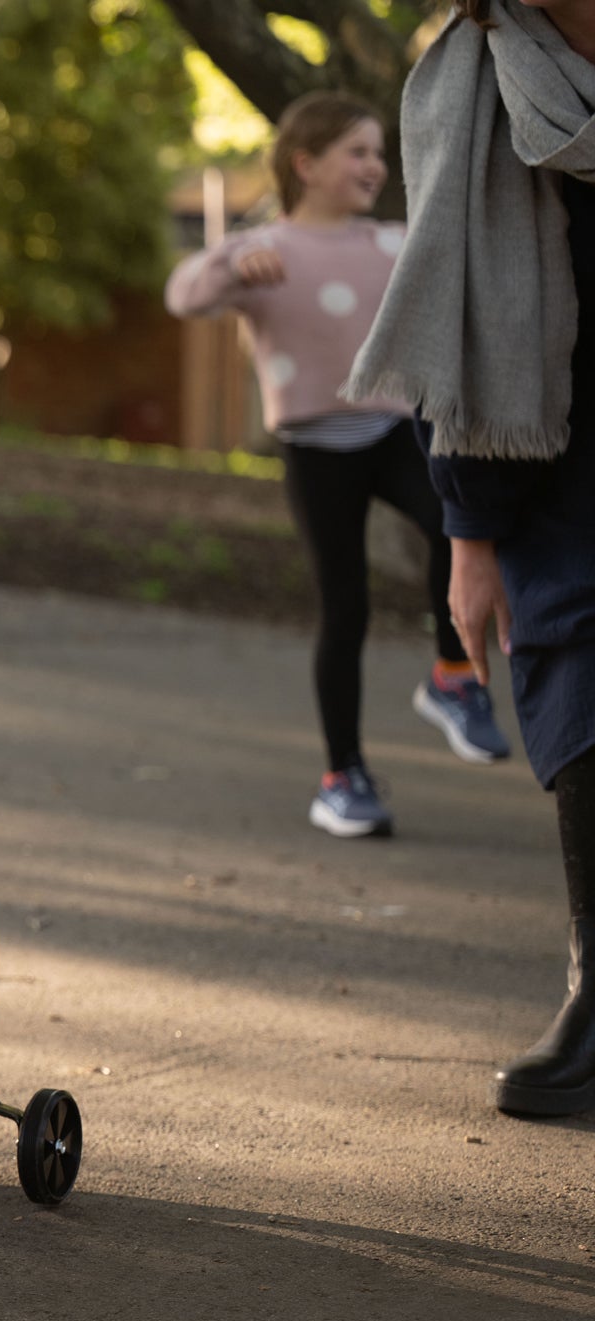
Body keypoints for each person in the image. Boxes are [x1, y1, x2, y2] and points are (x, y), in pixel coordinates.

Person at [345, 0, 595, 1116]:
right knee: (575, 682)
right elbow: (458, 312)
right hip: (551, 450)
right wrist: (468, 534)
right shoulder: (473, 78)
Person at [167, 92, 510, 841]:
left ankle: (453, 677)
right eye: (357, 152)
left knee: (457, 523)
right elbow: (184, 295)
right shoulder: (269, 251)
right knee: (344, 605)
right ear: (306, 164)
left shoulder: (391, 243)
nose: (376, 165)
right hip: (316, 446)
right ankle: (342, 775)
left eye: (378, 152)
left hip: (393, 430)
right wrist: (232, 258)